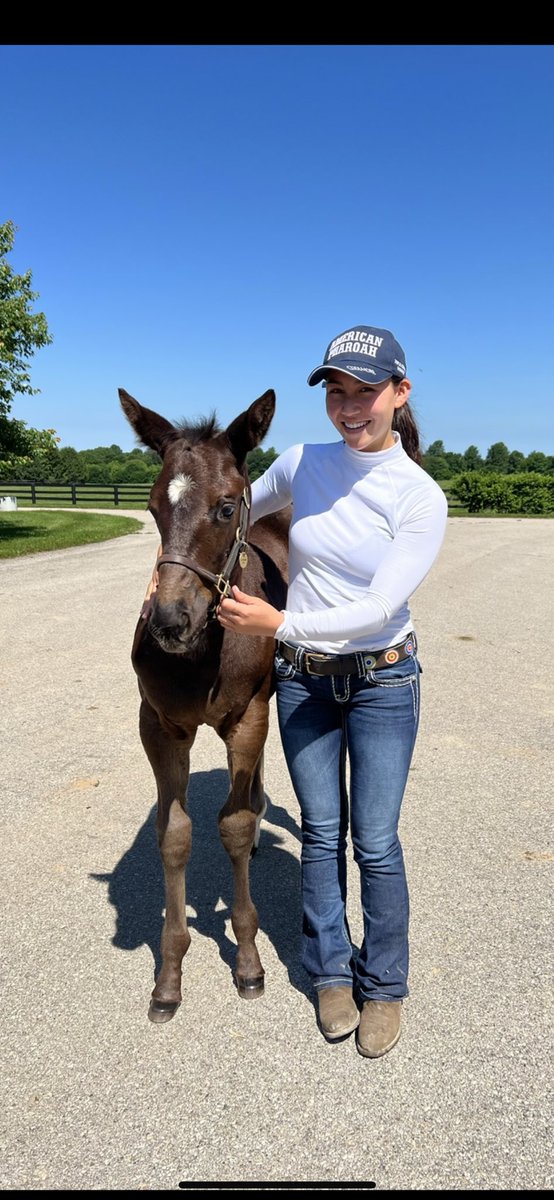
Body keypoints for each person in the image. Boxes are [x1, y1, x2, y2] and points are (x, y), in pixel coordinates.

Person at [145, 324, 448, 1058]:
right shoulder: (304, 461)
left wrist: (279, 620)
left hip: (380, 680)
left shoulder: (419, 495)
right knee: (319, 836)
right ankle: (331, 975)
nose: (349, 407)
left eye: (365, 392)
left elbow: (379, 609)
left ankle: (386, 985)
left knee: (374, 842)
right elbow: (228, 506)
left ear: (398, 394)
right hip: (307, 684)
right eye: (337, 392)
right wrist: (175, 564)